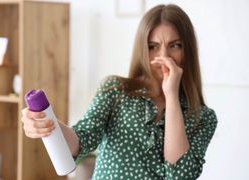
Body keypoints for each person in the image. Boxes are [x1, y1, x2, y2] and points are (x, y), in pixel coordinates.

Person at [21, 4, 217, 179]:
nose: (163, 56)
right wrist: (47, 123)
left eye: (175, 45)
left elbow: (180, 176)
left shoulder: (203, 117)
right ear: (142, 49)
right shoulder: (115, 90)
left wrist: (172, 96)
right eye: (153, 46)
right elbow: (81, 140)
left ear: (187, 50)